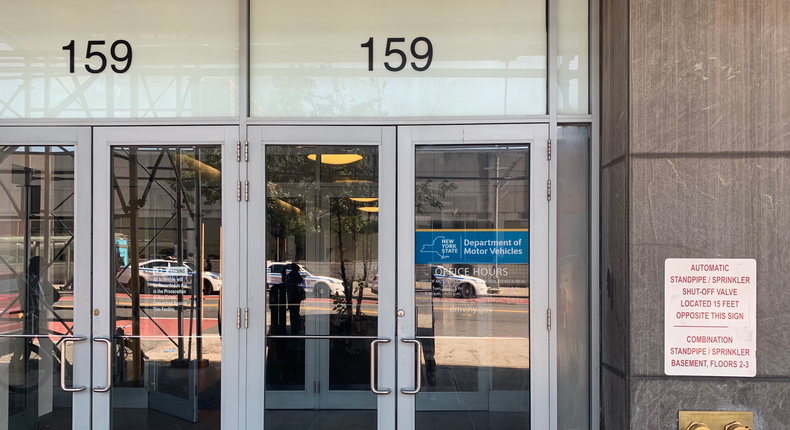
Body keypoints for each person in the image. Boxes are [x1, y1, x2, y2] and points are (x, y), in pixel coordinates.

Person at [285, 263, 305, 335]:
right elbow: (300, 281)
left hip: (294, 297)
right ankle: (295, 328)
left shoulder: (292, 275)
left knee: (294, 312)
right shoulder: (293, 275)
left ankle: (295, 328)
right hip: (294, 296)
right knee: (294, 312)